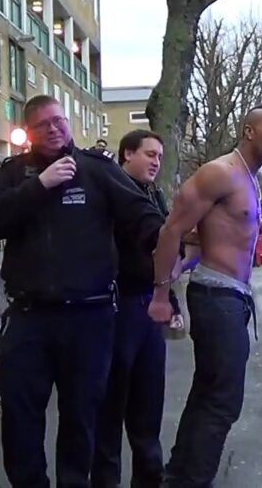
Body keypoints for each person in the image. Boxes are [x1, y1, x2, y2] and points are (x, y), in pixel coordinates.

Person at [0, 95, 165, 487]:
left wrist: (171, 239)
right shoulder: (16, 173)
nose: (54, 128)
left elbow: (141, 215)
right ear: (29, 130)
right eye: (43, 123)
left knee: (82, 419)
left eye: (59, 120)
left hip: (89, 317)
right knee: (20, 417)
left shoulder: (96, 170)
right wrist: (40, 187)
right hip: (30, 317)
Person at [147, 103, 262, 487]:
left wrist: (182, 266)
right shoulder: (219, 173)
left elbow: (198, 243)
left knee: (209, 393)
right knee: (223, 401)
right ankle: (190, 480)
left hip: (232, 298)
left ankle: (179, 476)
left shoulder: (250, 179)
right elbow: (170, 231)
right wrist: (161, 295)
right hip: (217, 299)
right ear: (248, 131)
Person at [92, 129, 194, 488]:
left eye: (159, 157)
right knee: (110, 404)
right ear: (126, 155)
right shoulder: (110, 197)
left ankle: (149, 477)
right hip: (117, 308)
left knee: (148, 402)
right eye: (149, 154)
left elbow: (166, 258)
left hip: (149, 306)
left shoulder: (154, 196)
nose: (156, 162)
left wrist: (173, 301)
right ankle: (106, 479)